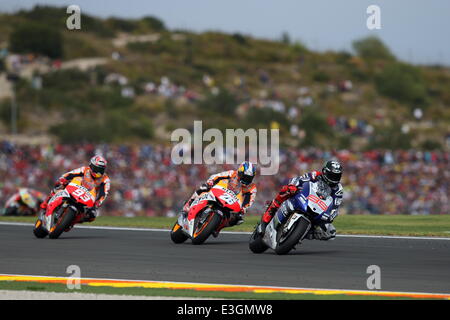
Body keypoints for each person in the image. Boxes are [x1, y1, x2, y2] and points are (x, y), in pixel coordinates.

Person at [258, 160, 344, 240]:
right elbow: (300, 179)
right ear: (325, 171)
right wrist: (294, 185)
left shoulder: (338, 189)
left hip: (318, 209)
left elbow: (335, 206)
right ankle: (271, 209)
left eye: (337, 176)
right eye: (332, 175)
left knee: (331, 233)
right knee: (287, 190)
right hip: (304, 198)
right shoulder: (315, 175)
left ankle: (304, 233)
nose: (334, 178)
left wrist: (331, 216)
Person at [182, 161, 257, 235]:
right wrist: (210, 182)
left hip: (233, 202)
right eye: (245, 176)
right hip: (221, 192)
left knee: (237, 219)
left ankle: (217, 228)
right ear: (240, 172)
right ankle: (190, 202)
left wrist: (244, 208)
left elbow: (250, 200)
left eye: (249, 178)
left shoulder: (252, 188)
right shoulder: (232, 173)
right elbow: (217, 176)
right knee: (203, 187)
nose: (246, 179)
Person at [39, 155, 110, 223]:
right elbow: (71, 174)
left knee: (92, 215)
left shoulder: (105, 180)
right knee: (58, 186)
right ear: (91, 166)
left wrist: (96, 204)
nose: (98, 172)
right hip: (75, 188)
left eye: (101, 170)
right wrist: (63, 179)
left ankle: (70, 222)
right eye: (97, 169)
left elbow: (103, 194)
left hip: (88, 198)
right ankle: (45, 204)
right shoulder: (85, 169)